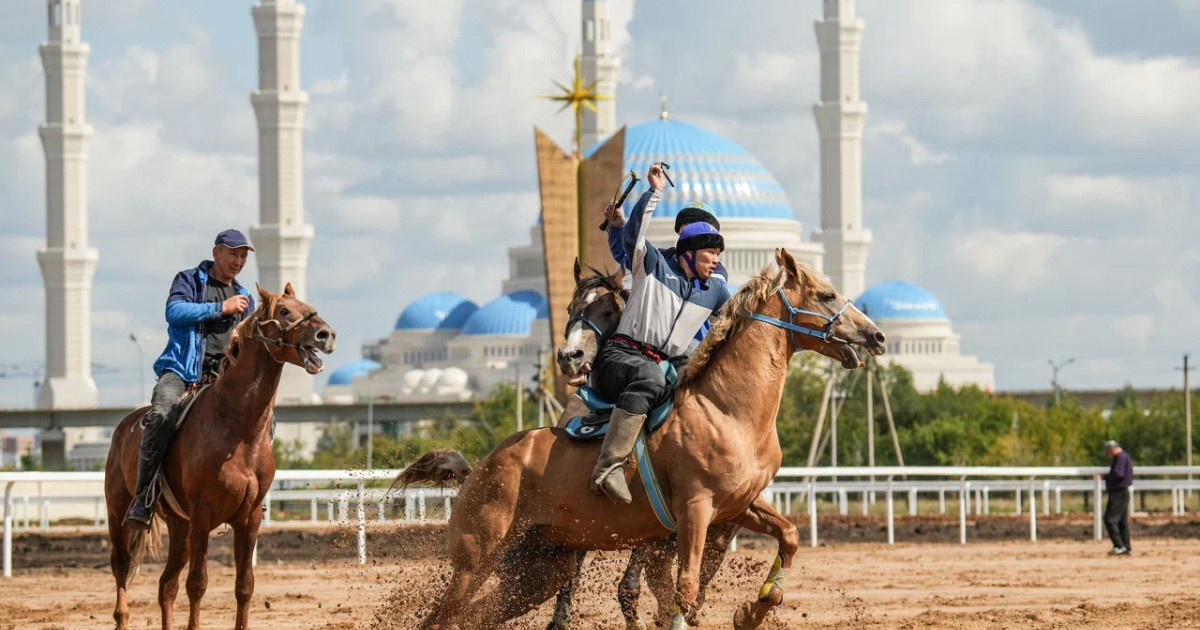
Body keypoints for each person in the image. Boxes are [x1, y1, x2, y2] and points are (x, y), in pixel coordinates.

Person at [590, 164, 732, 503]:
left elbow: (743, 319)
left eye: (716, 252)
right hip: (625, 356)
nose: (715, 260)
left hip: (675, 360)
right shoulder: (655, 262)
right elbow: (631, 242)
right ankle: (608, 467)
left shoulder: (714, 286)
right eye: (709, 251)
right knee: (651, 377)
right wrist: (651, 195)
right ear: (688, 248)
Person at [125, 229, 256, 527]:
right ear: (216, 253)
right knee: (160, 415)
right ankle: (143, 497)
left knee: (265, 421)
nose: (238, 261)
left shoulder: (247, 297)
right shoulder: (188, 280)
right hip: (182, 373)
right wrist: (220, 307)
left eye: (243, 256)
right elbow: (175, 311)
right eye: (233, 254)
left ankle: (251, 496)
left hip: (223, 381)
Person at [1102, 439, 1134, 555]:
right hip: (1122, 492)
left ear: (1112, 449)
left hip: (1118, 493)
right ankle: (1126, 547)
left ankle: (1119, 545)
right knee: (1121, 521)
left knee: (1109, 519)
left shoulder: (1120, 458)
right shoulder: (1123, 457)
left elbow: (1118, 473)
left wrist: (1106, 477)